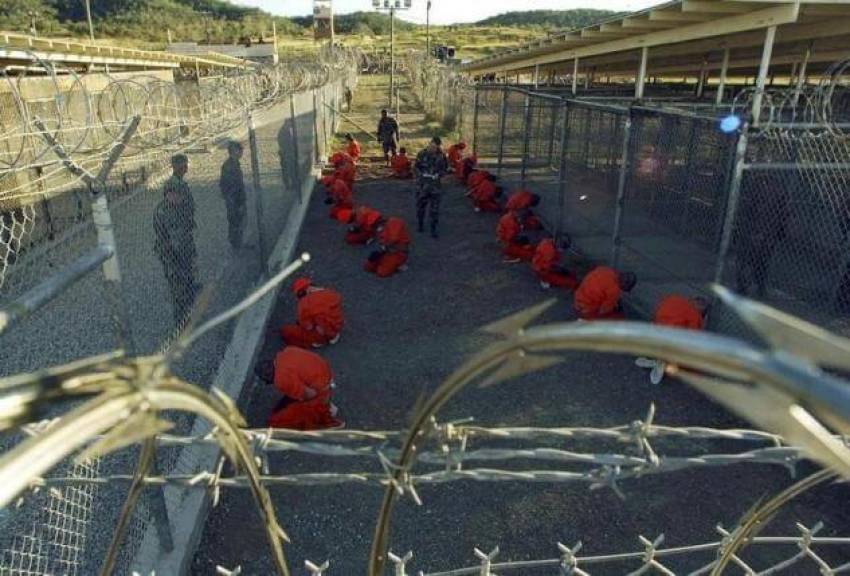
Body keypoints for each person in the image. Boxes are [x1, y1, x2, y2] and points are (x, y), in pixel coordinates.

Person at [154, 154, 201, 325]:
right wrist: (183, 257)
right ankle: (181, 320)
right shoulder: (167, 210)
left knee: (187, 281)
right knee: (178, 286)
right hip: (174, 253)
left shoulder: (178, 190)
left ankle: (187, 312)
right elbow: (173, 238)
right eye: (184, 164)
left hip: (183, 246)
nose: (187, 167)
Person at [266, 346, 344, 430]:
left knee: (274, 421)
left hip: (319, 391)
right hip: (324, 376)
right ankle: (324, 405)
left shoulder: (280, 379)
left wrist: (299, 401)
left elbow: (310, 394)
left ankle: (325, 418)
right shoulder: (286, 352)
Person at [636, 295, 709, 384]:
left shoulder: (674, 298)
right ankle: (666, 362)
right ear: (701, 311)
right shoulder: (695, 316)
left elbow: (656, 312)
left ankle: (658, 358)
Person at [280, 277, 345, 349]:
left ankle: (317, 342)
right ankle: (332, 336)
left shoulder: (304, 304)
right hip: (337, 325)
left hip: (321, 333)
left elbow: (308, 327)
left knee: (286, 331)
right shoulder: (330, 293)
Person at [414, 137, 449, 239]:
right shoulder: (422, 154)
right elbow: (416, 167)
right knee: (420, 207)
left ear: (438, 146)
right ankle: (420, 224)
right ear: (429, 144)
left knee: (434, 210)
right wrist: (421, 175)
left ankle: (433, 229)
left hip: (435, 188)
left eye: (435, 147)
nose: (432, 148)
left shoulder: (441, 156)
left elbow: (445, 169)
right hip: (422, 186)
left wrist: (439, 175)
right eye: (431, 146)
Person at [219, 141, 247, 249]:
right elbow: (227, 185)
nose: (241, 153)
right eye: (240, 151)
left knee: (238, 221)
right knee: (235, 221)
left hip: (236, 198)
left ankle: (238, 242)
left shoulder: (234, 164)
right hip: (234, 199)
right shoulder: (229, 166)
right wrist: (236, 200)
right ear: (235, 151)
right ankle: (235, 244)